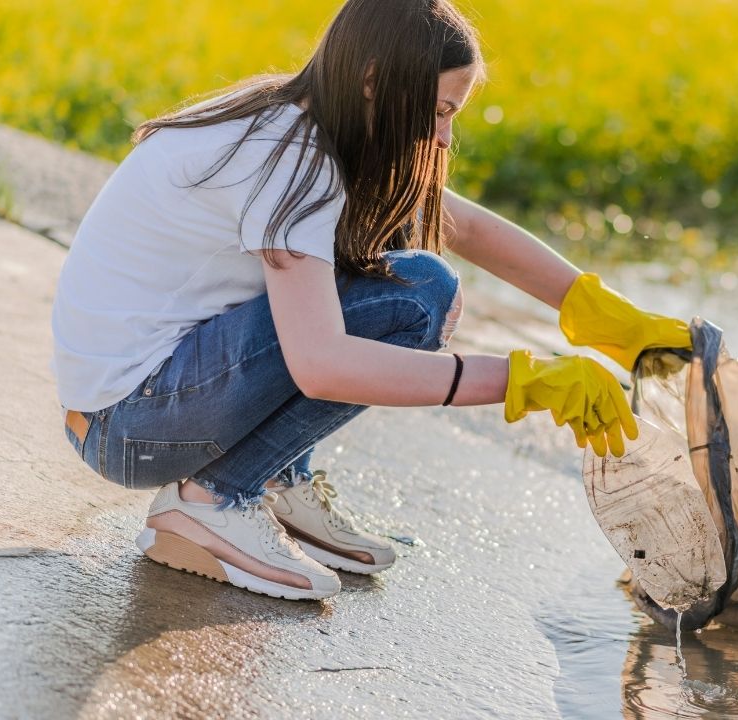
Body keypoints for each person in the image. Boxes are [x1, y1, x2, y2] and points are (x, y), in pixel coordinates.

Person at [51, 0, 691, 601]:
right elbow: (322, 364)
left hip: (128, 410)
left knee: (410, 272)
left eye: (452, 116)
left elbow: (458, 222)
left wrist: (598, 313)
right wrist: (523, 380)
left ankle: (277, 478)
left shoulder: (304, 120)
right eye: (438, 111)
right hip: (130, 428)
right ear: (375, 81)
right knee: (417, 299)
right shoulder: (290, 159)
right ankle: (211, 502)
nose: (443, 139)